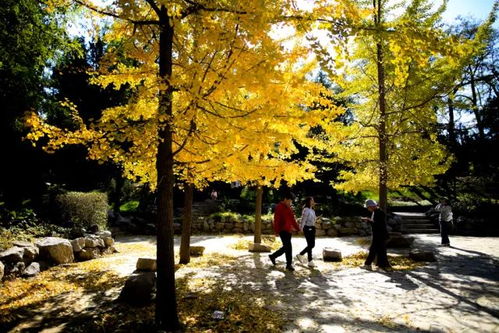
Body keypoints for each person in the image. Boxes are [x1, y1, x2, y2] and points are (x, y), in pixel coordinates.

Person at [269, 190, 300, 271]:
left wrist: (297, 228)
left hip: (289, 230)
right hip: (283, 230)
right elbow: (276, 220)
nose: (291, 202)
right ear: (286, 199)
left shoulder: (289, 207)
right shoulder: (279, 207)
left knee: (286, 247)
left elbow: (292, 219)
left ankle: (273, 256)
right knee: (288, 247)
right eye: (290, 200)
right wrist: (276, 231)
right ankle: (289, 265)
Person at [361, 199, 391, 271]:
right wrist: (369, 220)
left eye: (368, 207)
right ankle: (383, 265)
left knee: (373, 250)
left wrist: (369, 220)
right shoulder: (377, 212)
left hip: (379, 234)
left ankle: (368, 264)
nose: (368, 209)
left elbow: (378, 224)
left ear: (371, 206)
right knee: (380, 250)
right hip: (379, 234)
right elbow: (376, 223)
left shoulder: (379, 213)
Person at [296, 197, 317, 268]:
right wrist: (301, 228)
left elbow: (313, 219)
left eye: (313, 201)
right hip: (307, 228)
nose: (313, 202)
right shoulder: (306, 210)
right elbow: (303, 219)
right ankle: (301, 254)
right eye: (312, 200)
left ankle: (310, 261)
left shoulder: (312, 210)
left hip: (312, 228)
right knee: (311, 245)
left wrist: (316, 219)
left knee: (310, 245)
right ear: (308, 202)